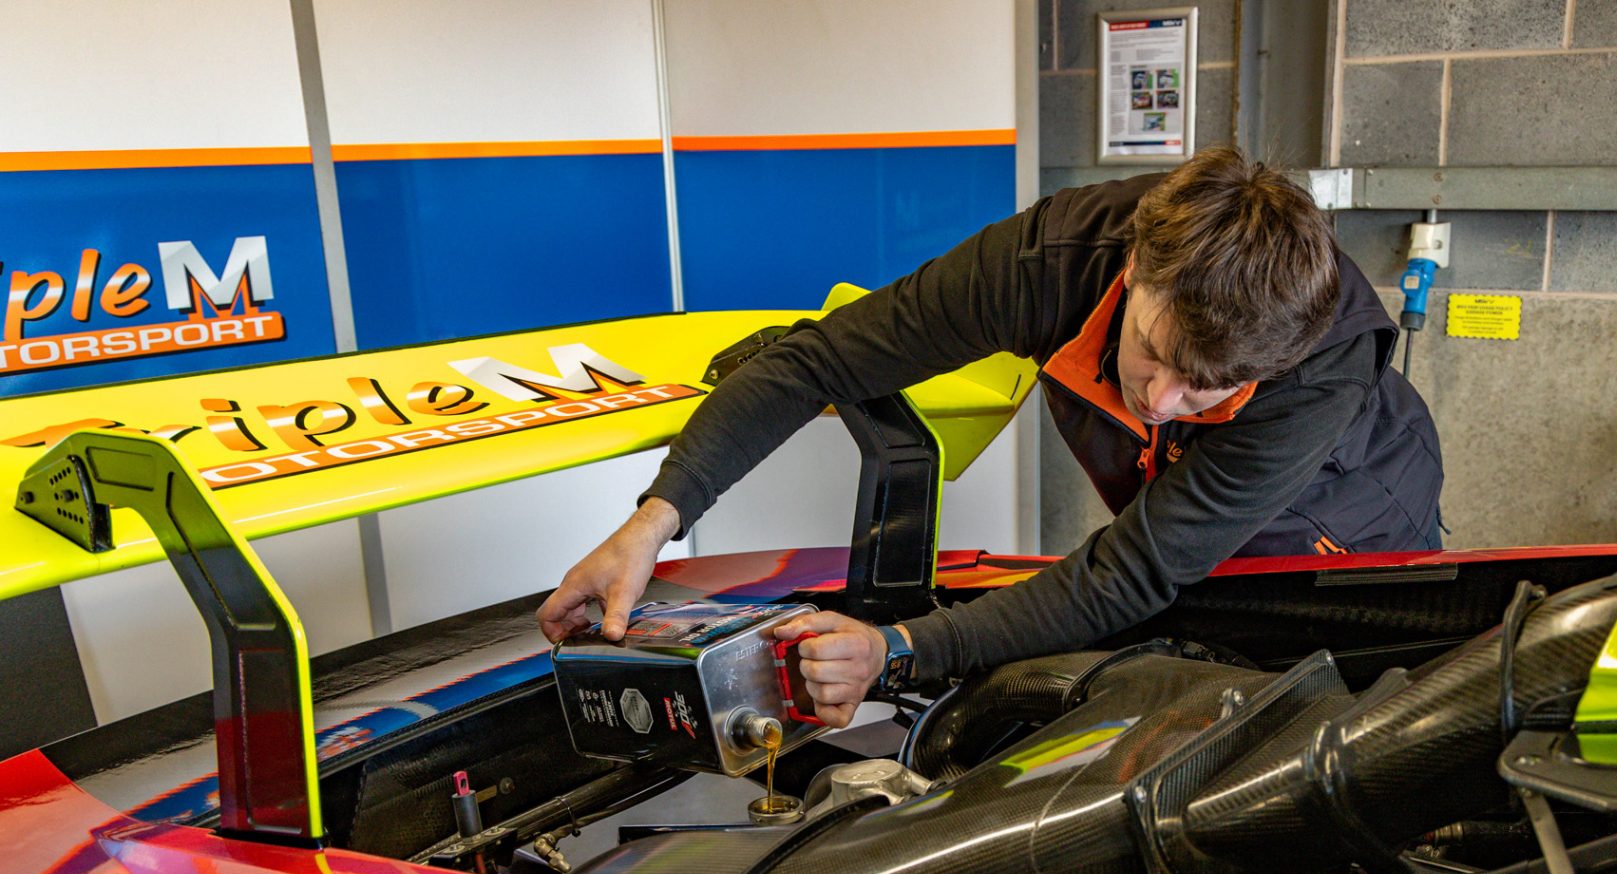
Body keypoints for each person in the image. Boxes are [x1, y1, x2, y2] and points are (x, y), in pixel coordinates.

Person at [538, 146, 1442, 727]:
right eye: (1155, 356)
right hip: (1176, 524)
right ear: (1135, 271)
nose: (1163, 401)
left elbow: (1130, 573)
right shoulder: (1049, 263)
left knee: (1316, 723)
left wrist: (900, 650)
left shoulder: (1320, 364)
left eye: (1209, 388)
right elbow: (817, 362)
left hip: (1341, 516)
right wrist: (653, 523)